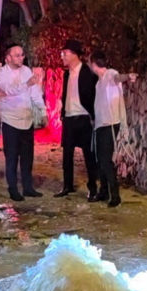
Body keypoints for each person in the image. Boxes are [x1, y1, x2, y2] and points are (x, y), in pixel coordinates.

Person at [0, 44, 45, 202]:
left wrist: (42, 110)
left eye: (22, 55)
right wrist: (26, 84)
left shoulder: (26, 71)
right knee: (11, 157)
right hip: (10, 120)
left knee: (27, 156)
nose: (21, 58)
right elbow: (8, 90)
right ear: (8, 58)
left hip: (27, 119)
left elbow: (35, 92)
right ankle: (13, 189)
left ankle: (28, 187)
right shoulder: (1, 73)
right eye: (17, 55)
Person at [56, 39, 99, 200]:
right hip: (69, 118)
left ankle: (93, 188)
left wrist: (94, 115)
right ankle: (67, 185)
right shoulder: (67, 73)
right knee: (67, 154)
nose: (63, 56)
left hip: (83, 117)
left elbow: (93, 95)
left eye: (65, 53)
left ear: (74, 54)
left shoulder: (87, 72)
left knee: (88, 154)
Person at [88, 50, 127, 208]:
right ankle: (104, 191)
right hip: (100, 125)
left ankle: (115, 195)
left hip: (110, 123)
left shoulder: (110, 74)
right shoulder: (99, 83)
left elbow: (118, 78)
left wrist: (128, 76)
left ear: (94, 64)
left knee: (105, 160)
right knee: (100, 160)